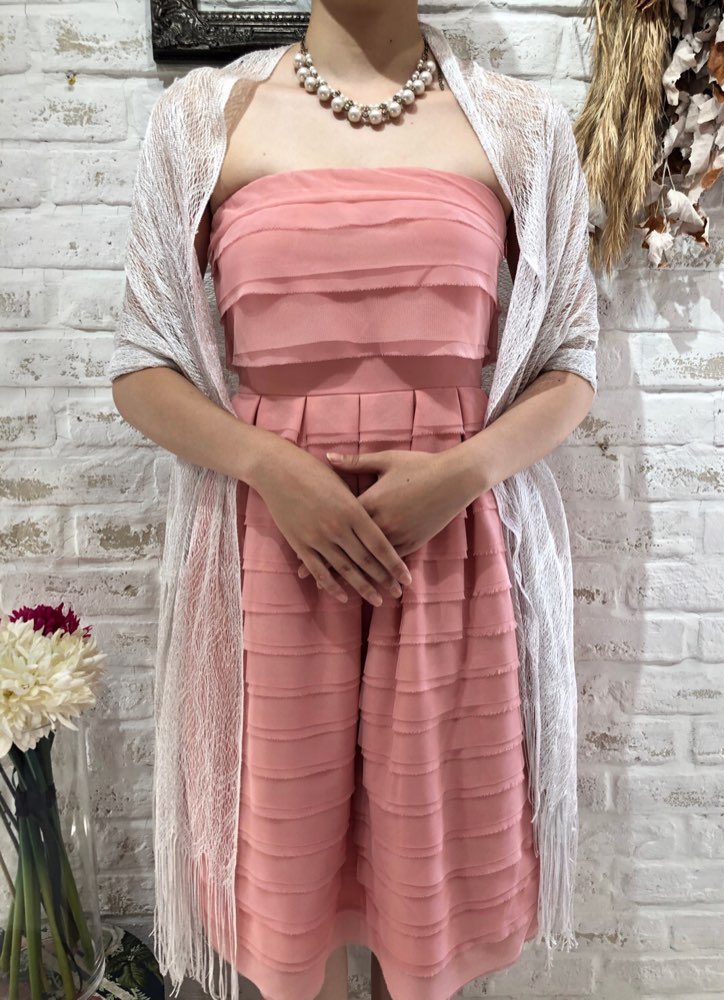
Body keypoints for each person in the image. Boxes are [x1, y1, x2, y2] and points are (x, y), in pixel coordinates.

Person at [111, 2, 597, 999]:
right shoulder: (206, 118)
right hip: (270, 559)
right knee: (293, 907)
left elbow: (569, 363)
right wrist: (267, 465)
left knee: (426, 907)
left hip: (451, 562)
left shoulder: (519, 125)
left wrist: (461, 473)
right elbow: (141, 364)